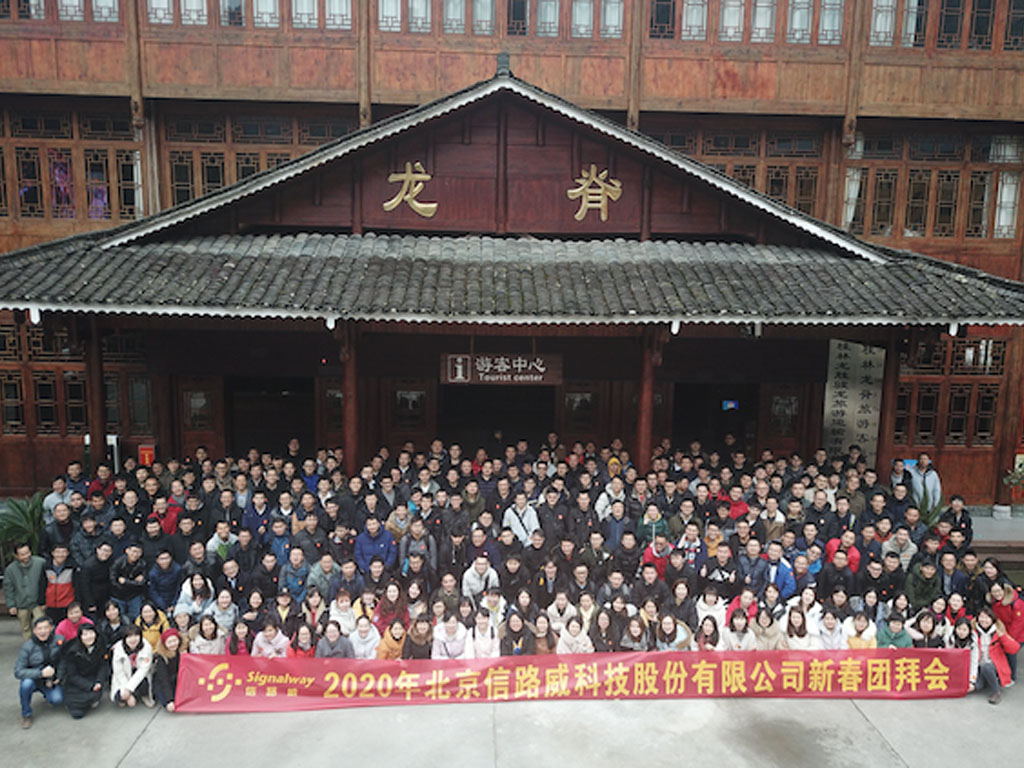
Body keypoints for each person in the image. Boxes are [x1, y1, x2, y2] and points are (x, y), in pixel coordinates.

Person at [15, 616, 65, 729]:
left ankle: (47, 694)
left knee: (57, 699)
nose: (43, 631)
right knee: (26, 685)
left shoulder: (59, 640)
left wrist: (59, 677)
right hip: (32, 678)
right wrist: (41, 673)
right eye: (39, 629)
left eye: (46, 628)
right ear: (34, 630)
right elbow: (18, 671)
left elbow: (63, 660)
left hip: (50, 679)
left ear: (51, 628)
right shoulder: (27, 646)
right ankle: (26, 714)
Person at [972, 606, 1020, 705]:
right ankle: (987, 680)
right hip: (978, 665)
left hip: (994, 665)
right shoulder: (973, 632)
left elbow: (1014, 649)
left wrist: (1003, 636)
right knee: (977, 687)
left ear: (992, 619)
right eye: (981, 617)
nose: (984, 620)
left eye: (987, 617)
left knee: (987, 666)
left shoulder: (998, 631)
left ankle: (996, 692)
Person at [57, 622, 105, 719]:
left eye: (91, 633)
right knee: (77, 714)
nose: (89, 637)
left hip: (92, 676)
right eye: (85, 634)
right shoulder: (72, 651)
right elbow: (72, 675)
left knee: (95, 694)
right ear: (80, 637)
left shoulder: (100, 645)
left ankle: (89, 701)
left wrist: (99, 681)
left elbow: (103, 666)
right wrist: (89, 686)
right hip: (76, 681)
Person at [110, 625, 154, 708]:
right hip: (124, 676)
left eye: (136, 635)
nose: (133, 639)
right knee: (119, 696)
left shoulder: (147, 647)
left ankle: (143, 695)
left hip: (139, 675)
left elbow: (142, 671)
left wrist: (129, 689)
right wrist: (127, 692)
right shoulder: (118, 649)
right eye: (129, 636)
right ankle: (127, 697)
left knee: (143, 684)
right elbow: (118, 672)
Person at [152, 628, 182, 712]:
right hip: (163, 682)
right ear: (164, 644)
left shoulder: (182, 651)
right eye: (169, 642)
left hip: (177, 679)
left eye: (175, 640)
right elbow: (163, 680)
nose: (173, 644)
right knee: (170, 705)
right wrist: (169, 700)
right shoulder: (161, 658)